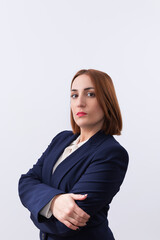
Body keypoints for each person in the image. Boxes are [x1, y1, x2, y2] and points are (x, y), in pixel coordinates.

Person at [18, 69, 129, 240]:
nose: (80, 103)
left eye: (90, 94)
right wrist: (54, 202)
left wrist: (38, 205)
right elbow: (26, 182)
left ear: (107, 101)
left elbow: (64, 225)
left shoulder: (111, 153)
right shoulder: (61, 139)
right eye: (74, 95)